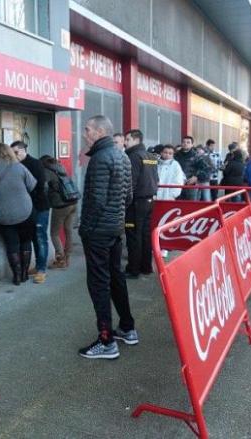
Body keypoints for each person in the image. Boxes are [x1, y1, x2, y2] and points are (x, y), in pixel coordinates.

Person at [78, 115, 137, 360]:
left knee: (99, 284)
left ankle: (106, 341)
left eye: (87, 129)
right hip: (115, 229)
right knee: (116, 277)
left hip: (99, 232)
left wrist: (86, 228)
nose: (84, 133)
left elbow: (96, 201)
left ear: (101, 131)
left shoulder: (101, 158)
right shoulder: (122, 156)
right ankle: (127, 328)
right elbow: (128, 197)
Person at [0, 143, 36, 286]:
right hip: (26, 210)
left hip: (3, 214)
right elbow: (32, 185)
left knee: (12, 245)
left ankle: (16, 276)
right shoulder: (19, 167)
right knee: (26, 242)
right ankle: (24, 273)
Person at [11, 141, 50, 284]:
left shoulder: (35, 163)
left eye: (16, 152)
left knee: (40, 238)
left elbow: (41, 186)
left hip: (39, 207)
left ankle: (41, 270)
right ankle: (38, 265)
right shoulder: (15, 166)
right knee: (32, 237)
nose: (14, 156)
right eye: (12, 153)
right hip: (26, 209)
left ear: (23, 150)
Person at [123, 129, 158, 278]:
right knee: (144, 235)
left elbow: (131, 183)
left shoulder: (133, 156)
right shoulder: (151, 156)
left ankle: (133, 269)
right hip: (149, 200)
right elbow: (156, 179)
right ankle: (146, 267)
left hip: (135, 203)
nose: (125, 142)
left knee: (134, 236)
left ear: (136, 140)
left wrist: (125, 203)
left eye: (127, 139)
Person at [41, 155, 78, 269]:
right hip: (73, 202)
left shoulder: (46, 171)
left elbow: (44, 188)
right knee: (68, 231)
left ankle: (60, 260)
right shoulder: (60, 167)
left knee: (54, 233)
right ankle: (67, 258)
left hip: (61, 205)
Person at [174, 135, 209, 200]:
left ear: (192, 144)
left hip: (191, 186)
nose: (185, 144)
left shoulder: (197, 156)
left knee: (191, 206)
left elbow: (206, 169)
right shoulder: (175, 155)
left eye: (188, 142)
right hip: (177, 185)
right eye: (184, 142)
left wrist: (197, 177)